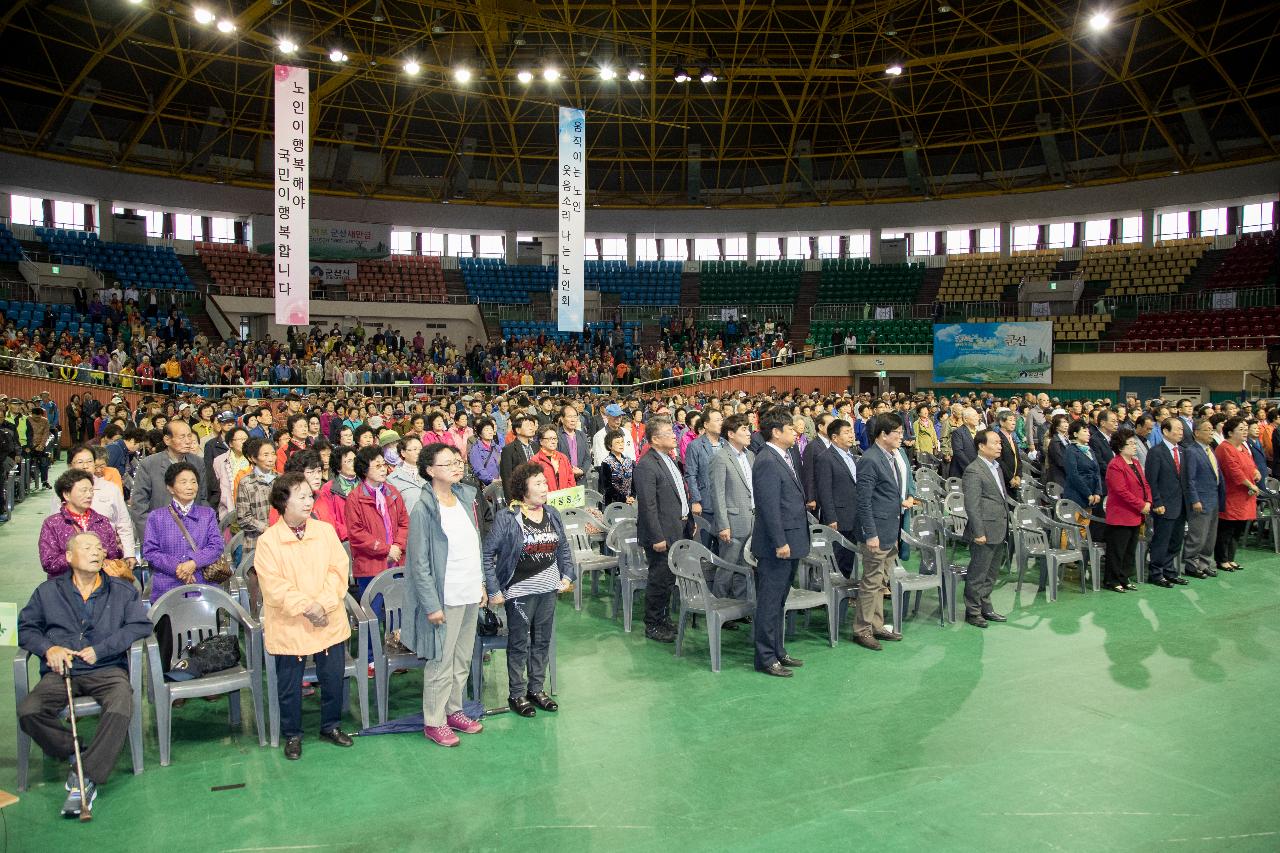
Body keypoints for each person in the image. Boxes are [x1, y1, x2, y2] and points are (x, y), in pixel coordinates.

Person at [18, 532, 152, 817]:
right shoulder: (47, 592)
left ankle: (85, 773)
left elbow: (139, 626)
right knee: (29, 711)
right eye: (87, 548)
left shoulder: (122, 591)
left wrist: (101, 649)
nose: (96, 552)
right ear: (69, 557)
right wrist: (49, 648)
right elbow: (27, 629)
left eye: (100, 548)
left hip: (106, 668)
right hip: (62, 671)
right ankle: (83, 754)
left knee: (120, 703)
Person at [254, 472, 354, 760]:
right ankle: (293, 734)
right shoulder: (269, 541)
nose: (309, 501)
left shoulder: (324, 531)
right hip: (291, 621)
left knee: (332, 678)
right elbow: (273, 586)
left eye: (310, 496)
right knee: (290, 685)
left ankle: (331, 726)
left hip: (328, 617)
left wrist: (322, 604)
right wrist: (308, 607)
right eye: (302, 496)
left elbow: (338, 570)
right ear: (283, 501)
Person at [404, 443, 487, 748]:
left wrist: (480, 584)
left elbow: (473, 545)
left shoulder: (465, 499)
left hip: (467, 590)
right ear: (429, 470)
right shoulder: (424, 509)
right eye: (448, 463)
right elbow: (419, 563)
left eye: (457, 461)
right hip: (444, 596)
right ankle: (434, 721)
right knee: (440, 660)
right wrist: (431, 604)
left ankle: (454, 710)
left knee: (462, 657)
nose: (456, 467)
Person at [482, 463, 574, 717]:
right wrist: (493, 589)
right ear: (523, 489)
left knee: (542, 640)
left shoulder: (552, 513)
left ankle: (536, 688)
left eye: (545, 483)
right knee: (520, 642)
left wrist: (567, 575)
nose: (545, 488)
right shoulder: (507, 518)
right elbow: (488, 554)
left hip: (548, 589)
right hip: (519, 592)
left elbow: (564, 548)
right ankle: (517, 693)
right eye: (538, 484)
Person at [143, 461, 227, 662]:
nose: (190, 486)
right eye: (183, 482)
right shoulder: (157, 517)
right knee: (168, 639)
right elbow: (150, 551)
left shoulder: (206, 514)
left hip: (202, 583)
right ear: (170, 487)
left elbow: (216, 546)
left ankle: (208, 674)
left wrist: (192, 563)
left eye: (193, 481)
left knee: (206, 635)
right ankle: (170, 679)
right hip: (168, 585)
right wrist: (177, 567)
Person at [749, 409, 810, 677]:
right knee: (769, 601)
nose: (795, 431)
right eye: (790, 427)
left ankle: (777, 650)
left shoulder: (784, 456)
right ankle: (765, 657)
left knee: (779, 600)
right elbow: (769, 507)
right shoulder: (767, 460)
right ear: (776, 432)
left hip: (791, 539)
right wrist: (779, 541)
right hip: (778, 545)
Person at [852, 413, 912, 651]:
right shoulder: (870, 459)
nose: (901, 436)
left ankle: (876, 625)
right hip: (876, 533)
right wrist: (871, 534)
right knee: (871, 581)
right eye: (896, 432)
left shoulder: (891, 457)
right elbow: (864, 501)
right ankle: (862, 629)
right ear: (883, 434)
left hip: (890, 530)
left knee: (880, 581)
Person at [632, 417, 690, 644]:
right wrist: (657, 536)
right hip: (661, 534)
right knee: (659, 578)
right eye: (669, 432)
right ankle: (653, 624)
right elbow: (648, 505)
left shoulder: (668, 459)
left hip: (677, 528)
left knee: (668, 579)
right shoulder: (647, 464)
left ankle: (664, 618)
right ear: (655, 438)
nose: (674, 435)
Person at [346, 445, 410, 605]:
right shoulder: (355, 498)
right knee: (373, 614)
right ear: (365, 470)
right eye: (378, 466)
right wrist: (386, 549)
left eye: (384, 465)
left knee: (398, 612)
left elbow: (405, 523)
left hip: (397, 559)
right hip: (370, 565)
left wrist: (397, 546)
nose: (383, 469)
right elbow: (356, 534)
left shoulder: (393, 492)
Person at [56, 444, 136, 571]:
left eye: (90, 461)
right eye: (80, 462)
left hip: (107, 560)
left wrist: (129, 553)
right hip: (71, 563)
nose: (85, 466)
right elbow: (56, 527)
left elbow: (123, 523)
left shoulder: (110, 489)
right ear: (70, 465)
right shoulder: (63, 492)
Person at [127, 419, 207, 542]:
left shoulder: (198, 462)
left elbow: (202, 498)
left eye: (189, 436)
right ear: (167, 440)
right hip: (160, 536)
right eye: (182, 437)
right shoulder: (149, 464)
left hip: (192, 536)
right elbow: (139, 506)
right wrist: (151, 538)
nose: (187, 441)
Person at [39, 469, 126, 578]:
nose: (89, 495)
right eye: (83, 490)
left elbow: (113, 556)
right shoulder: (52, 523)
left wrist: (117, 551)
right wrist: (80, 557)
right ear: (66, 494)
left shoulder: (102, 521)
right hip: (64, 587)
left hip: (100, 584)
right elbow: (49, 563)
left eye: (91, 490)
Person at [960, 429, 1009, 626]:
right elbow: (972, 505)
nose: (999, 446)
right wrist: (978, 531)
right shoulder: (974, 470)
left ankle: (986, 606)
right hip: (984, 530)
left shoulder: (996, 467)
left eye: (1000, 443)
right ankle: (972, 611)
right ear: (981, 446)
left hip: (999, 526)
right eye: (995, 443)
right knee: (978, 573)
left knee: (991, 573)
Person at [707, 413, 755, 599]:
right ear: (731, 434)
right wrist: (723, 524)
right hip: (732, 523)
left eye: (748, 428)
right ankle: (720, 604)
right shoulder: (721, 457)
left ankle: (740, 605)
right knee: (727, 567)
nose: (749, 433)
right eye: (744, 429)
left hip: (750, 519)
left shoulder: (750, 456)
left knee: (744, 567)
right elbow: (717, 494)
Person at [1146, 418, 1197, 583]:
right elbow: (1151, 481)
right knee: (1162, 540)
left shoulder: (1183, 451)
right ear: (1165, 431)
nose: (1181, 432)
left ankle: (1169, 571)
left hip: (1181, 504)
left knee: (1176, 541)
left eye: (1182, 429)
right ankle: (1156, 573)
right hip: (1164, 504)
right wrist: (1157, 502)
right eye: (1177, 429)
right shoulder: (1156, 452)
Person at [1104, 433, 1151, 592]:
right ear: (1120, 447)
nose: (1134, 446)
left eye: (1134, 443)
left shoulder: (1136, 463)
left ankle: (1124, 578)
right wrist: (1140, 505)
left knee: (1130, 550)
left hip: (1136, 514)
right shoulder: (1115, 465)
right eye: (1130, 443)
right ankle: (1112, 579)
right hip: (1121, 514)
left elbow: (1145, 484)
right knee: (1117, 550)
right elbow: (1120, 491)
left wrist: (1148, 501)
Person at [813, 418, 859, 578]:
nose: (851, 436)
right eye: (846, 433)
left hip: (853, 514)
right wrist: (831, 517)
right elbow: (824, 491)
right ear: (834, 437)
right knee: (838, 556)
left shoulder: (851, 455)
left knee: (849, 555)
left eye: (851, 432)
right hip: (838, 517)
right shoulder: (826, 457)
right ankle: (833, 591)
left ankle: (845, 588)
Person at [1215, 416, 1262, 572]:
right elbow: (1233, 471)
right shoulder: (1225, 448)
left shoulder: (1243, 447)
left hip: (1245, 496)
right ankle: (1222, 559)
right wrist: (1250, 484)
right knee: (1227, 529)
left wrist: (1256, 472)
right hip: (1231, 495)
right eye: (1240, 429)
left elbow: (1251, 465)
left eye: (1245, 429)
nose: (1245, 432)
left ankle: (1231, 558)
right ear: (1229, 432)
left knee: (1238, 529)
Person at [1183, 418, 1224, 578]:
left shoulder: (1210, 449)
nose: (1211, 432)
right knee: (1198, 535)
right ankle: (1191, 565)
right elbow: (1189, 479)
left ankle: (1204, 563)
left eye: (1212, 429)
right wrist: (1195, 499)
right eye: (1207, 429)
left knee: (1210, 535)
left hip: (1213, 499)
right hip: (1200, 500)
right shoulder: (1191, 451)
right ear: (1196, 433)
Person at [684, 408, 724, 537]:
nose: (721, 423)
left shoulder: (726, 444)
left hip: (725, 504)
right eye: (717, 420)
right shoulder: (695, 446)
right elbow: (691, 475)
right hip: (706, 502)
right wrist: (695, 501)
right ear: (706, 425)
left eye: (722, 420)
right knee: (705, 543)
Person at [236, 437, 278, 553]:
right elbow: (243, 518)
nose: (271, 459)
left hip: (280, 540)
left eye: (273, 454)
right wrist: (265, 528)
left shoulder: (280, 479)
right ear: (253, 458)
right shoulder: (246, 483)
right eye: (265, 455)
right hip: (256, 543)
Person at [1062, 420, 1102, 510]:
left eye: (1088, 431)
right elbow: (1073, 475)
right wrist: (1088, 494)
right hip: (1077, 496)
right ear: (1075, 434)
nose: (1088, 434)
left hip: (1092, 495)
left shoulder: (1089, 450)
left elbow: (1097, 472)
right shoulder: (1070, 451)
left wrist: (1097, 492)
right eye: (1084, 431)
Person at [499, 413, 538, 497]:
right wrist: (510, 500)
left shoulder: (536, 446)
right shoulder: (508, 450)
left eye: (532, 425)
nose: (532, 428)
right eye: (527, 425)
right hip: (520, 492)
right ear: (518, 430)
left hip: (536, 490)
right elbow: (507, 477)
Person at [597, 429, 635, 506]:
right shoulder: (606, 463)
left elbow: (634, 481)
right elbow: (607, 487)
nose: (621, 444)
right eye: (617, 442)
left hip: (629, 501)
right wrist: (623, 499)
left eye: (622, 442)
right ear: (609, 446)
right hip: (613, 503)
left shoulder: (629, 460)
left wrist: (632, 496)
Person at [531, 426, 576, 491]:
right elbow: (534, 485)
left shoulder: (563, 457)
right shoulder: (535, 461)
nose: (553, 442)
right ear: (541, 441)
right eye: (549, 439)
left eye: (555, 439)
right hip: (546, 499)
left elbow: (571, 479)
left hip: (565, 498)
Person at [387, 435, 426, 507]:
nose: (418, 452)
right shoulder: (391, 480)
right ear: (403, 453)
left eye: (420, 449)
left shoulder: (429, 473)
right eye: (414, 449)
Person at [467, 417, 501, 487]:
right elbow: (478, 469)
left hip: (500, 483)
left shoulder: (497, 447)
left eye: (491, 429)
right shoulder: (475, 449)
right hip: (485, 485)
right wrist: (491, 480)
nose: (490, 432)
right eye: (486, 430)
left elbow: (502, 465)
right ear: (480, 433)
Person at [948, 407, 979, 478]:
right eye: (974, 416)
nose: (977, 418)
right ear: (965, 419)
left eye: (977, 415)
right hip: (962, 471)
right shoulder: (958, 432)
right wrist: (970, 468)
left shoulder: (978, 432)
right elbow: (958, 452)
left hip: (977, 470)